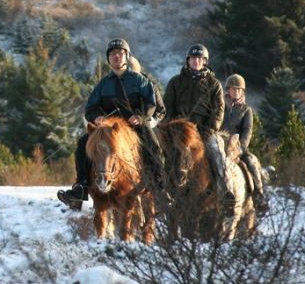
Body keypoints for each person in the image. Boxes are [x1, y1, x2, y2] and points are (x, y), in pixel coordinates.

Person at [57, 38, 166, 210]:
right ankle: (81, 188)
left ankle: (161, 188)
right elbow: (90, 108)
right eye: (113, 54)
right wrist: (97, 118)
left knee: (154, 145)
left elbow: (152, 103)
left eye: (120, 53)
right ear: (109, 59)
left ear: (127, 57)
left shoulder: (139, 80)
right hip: (109, 130)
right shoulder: (103, 84)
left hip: (134, 127)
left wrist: (141, 116)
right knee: (82, 143)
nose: (116, 57)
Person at [162, 43, 230, 199]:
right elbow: (167, 108)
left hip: (204, 131)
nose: (196, 61)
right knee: (161, 151)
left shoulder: (214, 85)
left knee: (217, 151)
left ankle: (225, 190)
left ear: (205, 61)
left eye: (199, 58)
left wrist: (208, 130)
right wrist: (172, 128)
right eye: (193, 58)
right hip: (179, 132)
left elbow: (219, 111)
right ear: (188, 60)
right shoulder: (175, 82)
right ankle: (161, 191)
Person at [221, 73, 267, 210]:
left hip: (238, 148)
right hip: (220, 145)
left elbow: (248, 130)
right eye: (234, 89)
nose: (236, 92)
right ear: (228, 90)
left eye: (239, 89)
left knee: (252, 163)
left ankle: (259, 195)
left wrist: (241, 147)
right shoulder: (219, 105)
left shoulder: (246, 110)